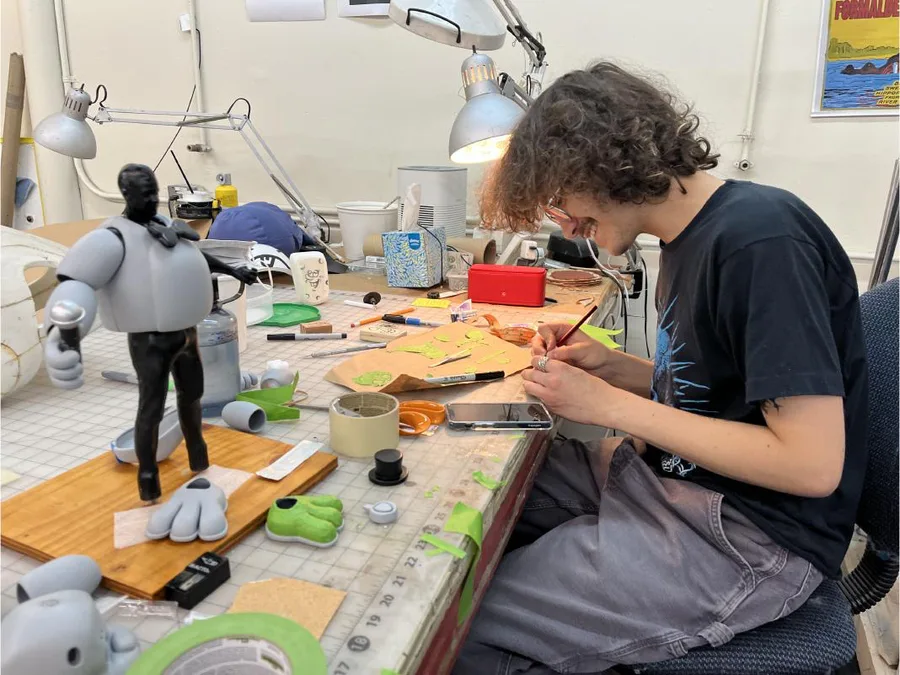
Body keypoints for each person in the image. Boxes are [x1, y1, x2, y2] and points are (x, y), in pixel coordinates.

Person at [453, 62, 869, 674]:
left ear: (600, 164)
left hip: (748, 536)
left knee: (459, 623)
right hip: (676, 483)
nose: (564, 222)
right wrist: (612, 367)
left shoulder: (761, 242)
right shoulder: (691, 237)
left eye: (560, 199)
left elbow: (810, 465)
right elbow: (720, 390)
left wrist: (608, 406)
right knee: (473, 487)